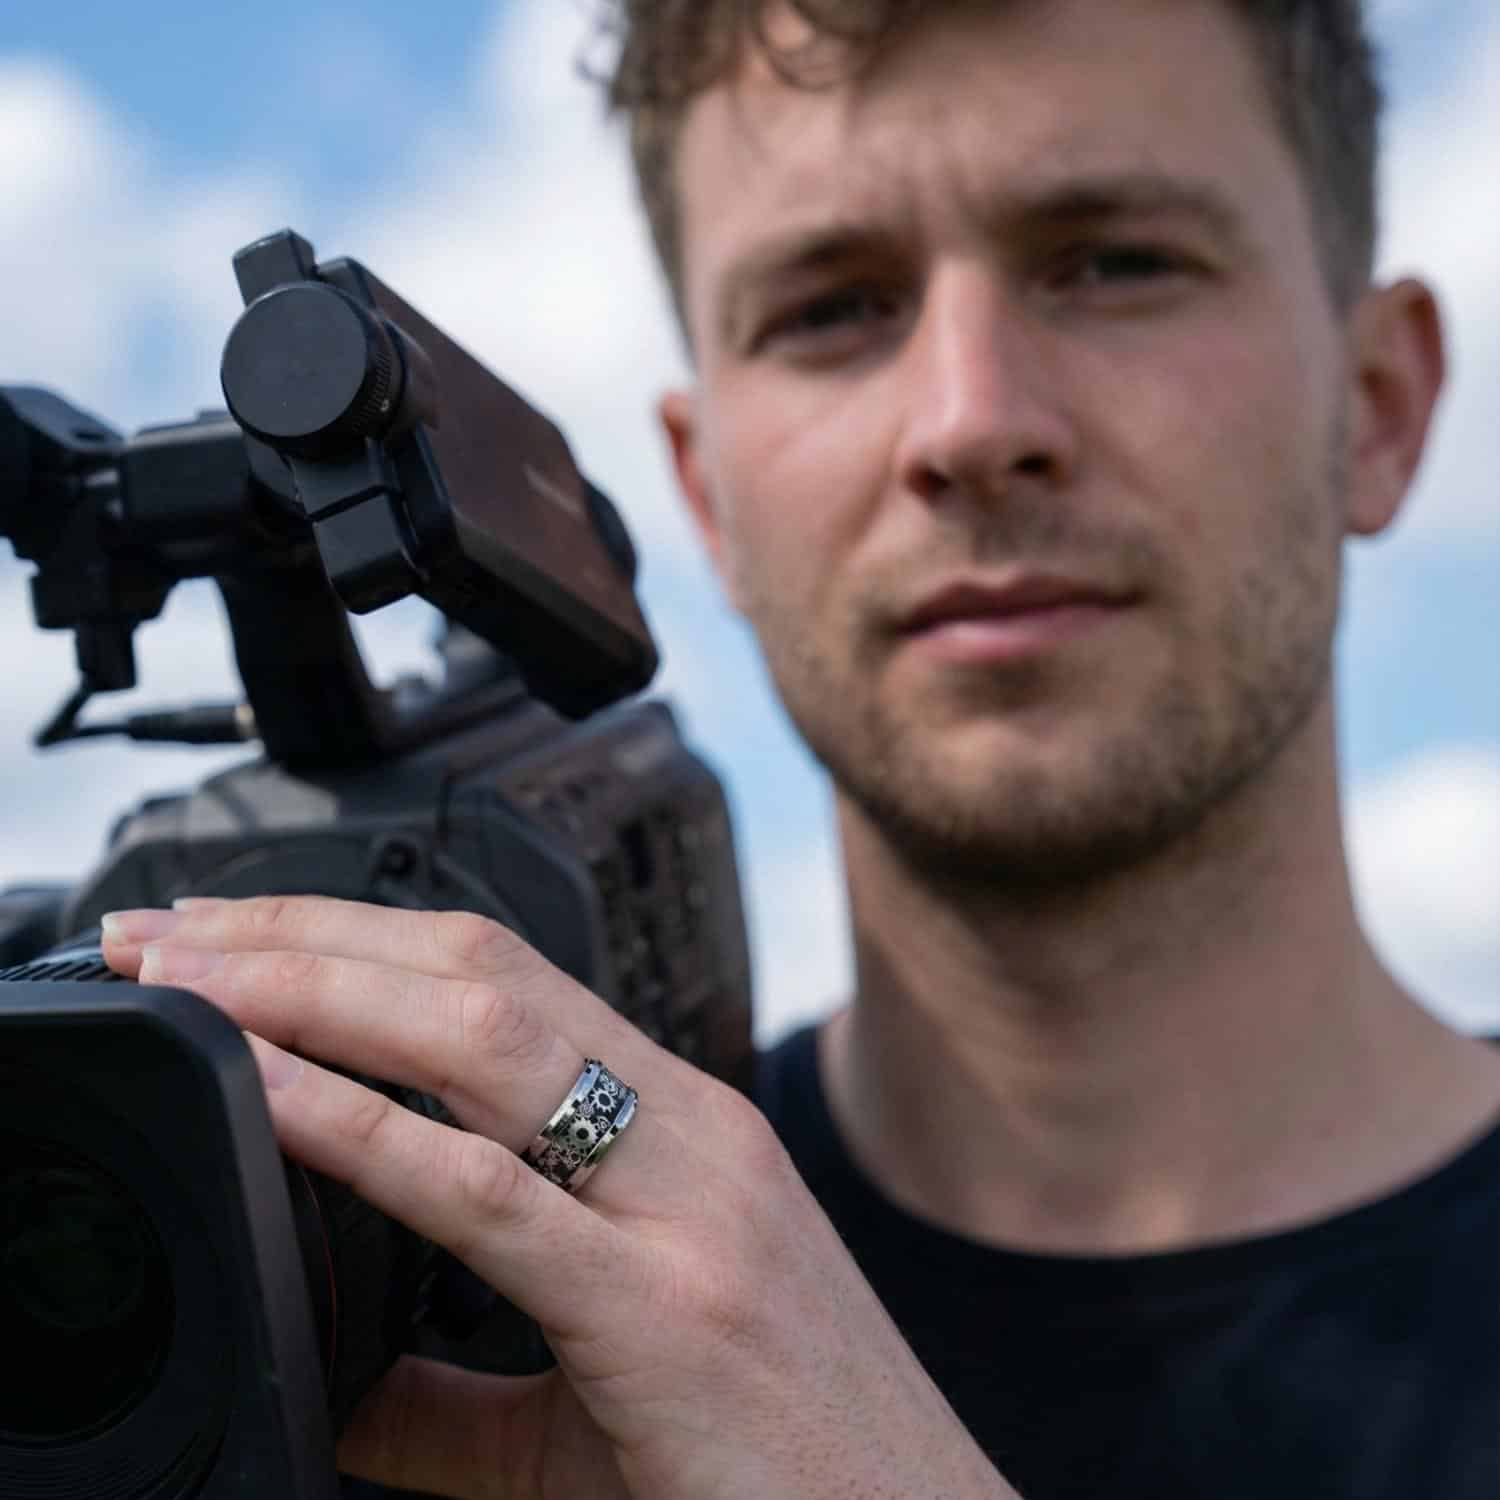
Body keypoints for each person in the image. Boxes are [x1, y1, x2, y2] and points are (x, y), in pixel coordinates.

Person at [99, 0, 1499, 1495]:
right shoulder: (409, 1348)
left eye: (1116, 263)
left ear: (1381, 405)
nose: (968, 424)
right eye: (832, 308)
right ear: (707, 500)